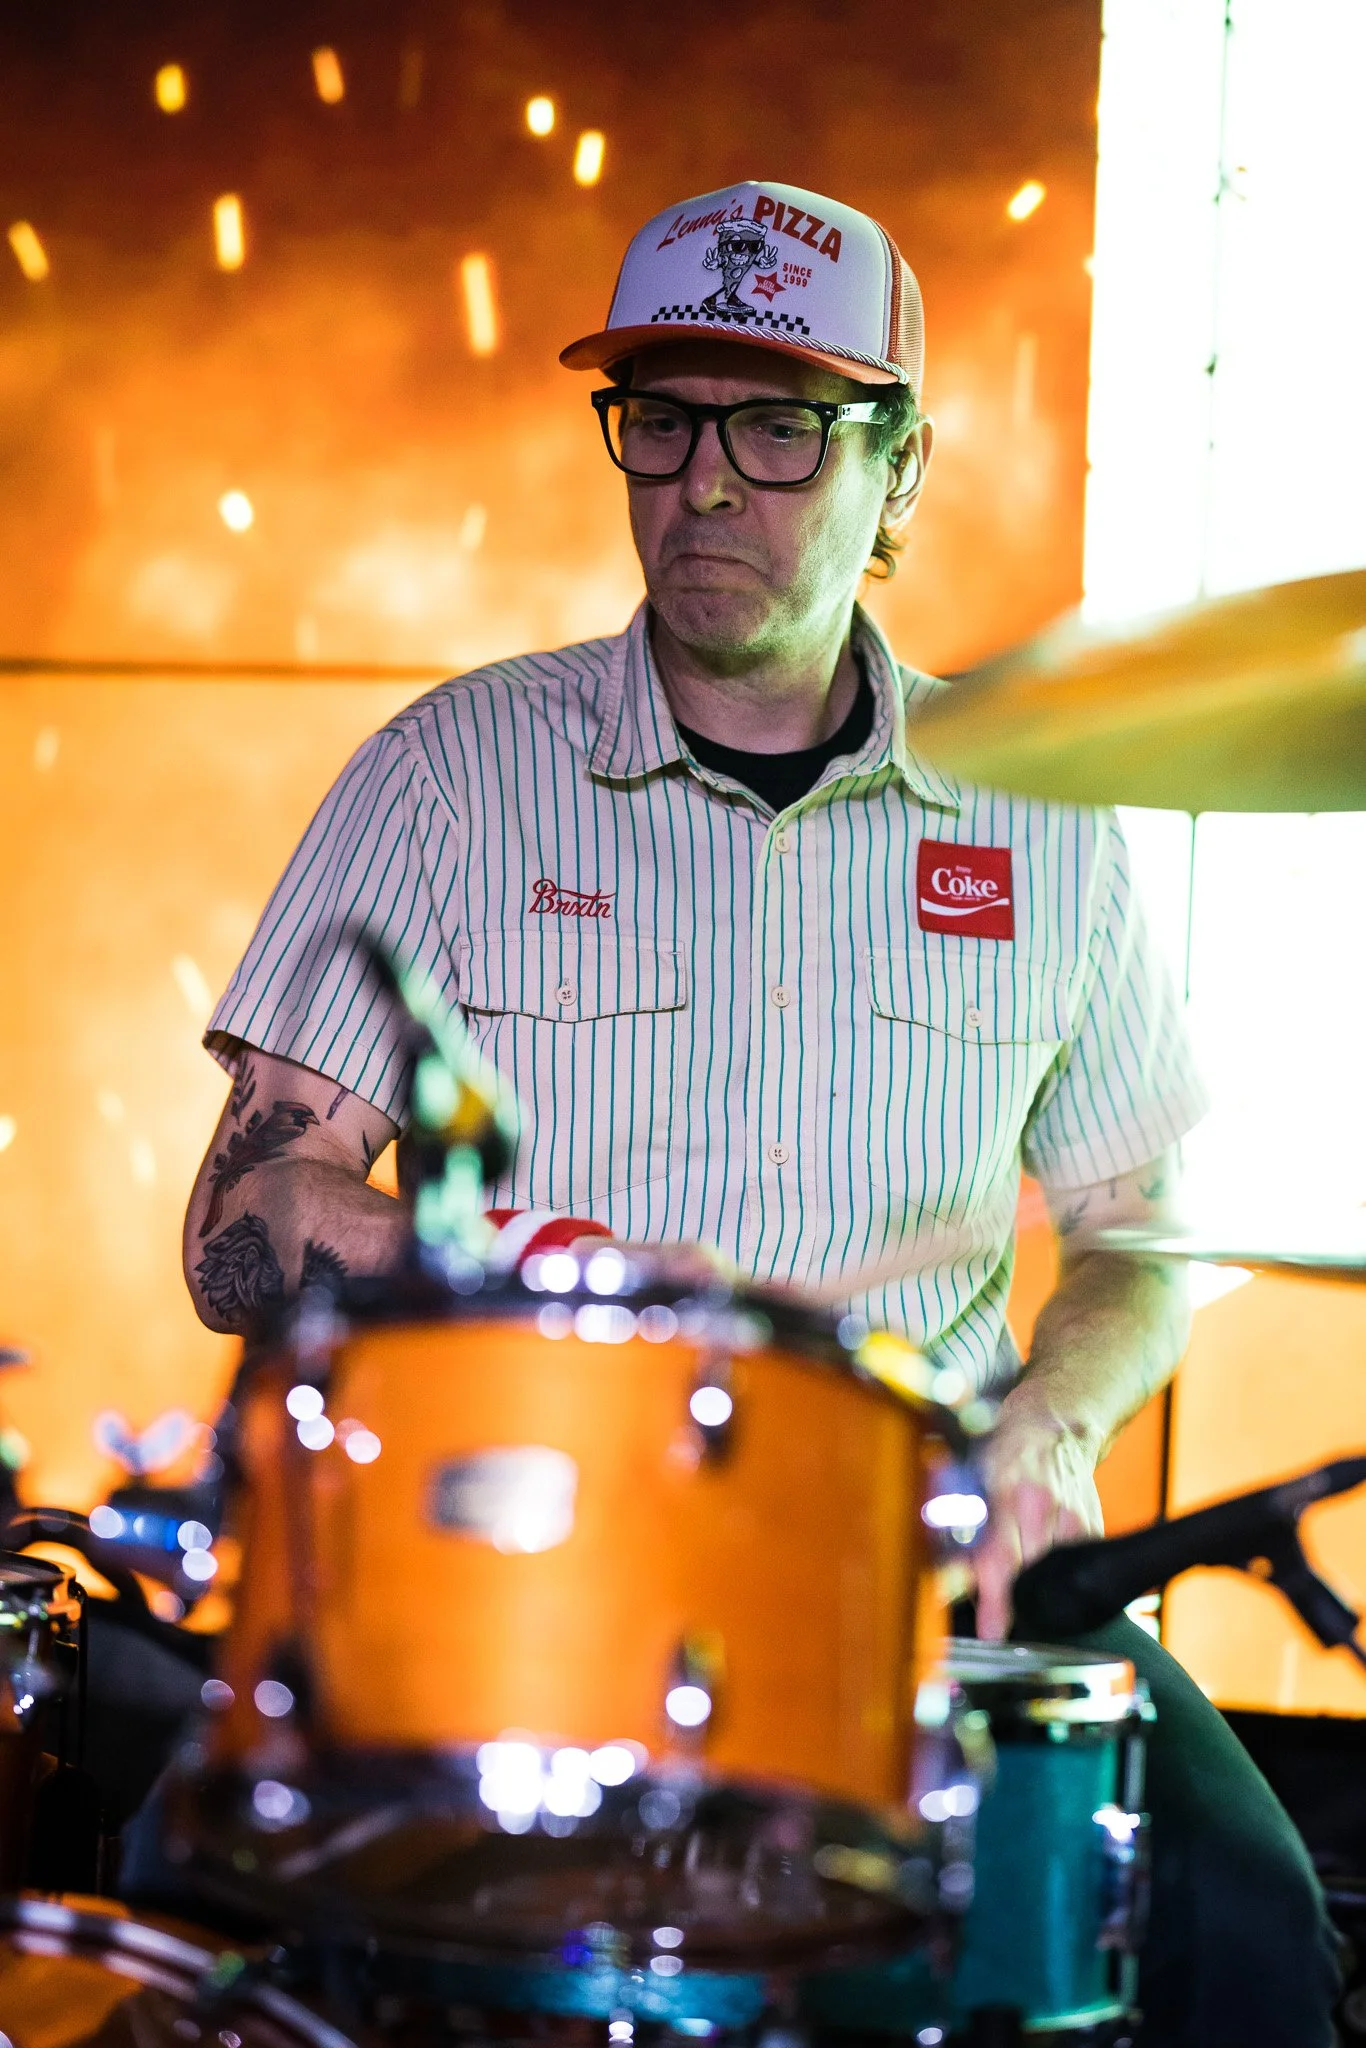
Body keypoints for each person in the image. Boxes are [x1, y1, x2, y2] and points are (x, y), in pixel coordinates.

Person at [183, 180, 1339, 2044]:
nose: (706, 483)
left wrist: (1050, 1426)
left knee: (1243, 1929)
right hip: (538, 1569)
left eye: (782, 426)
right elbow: (242, 1222)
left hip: (929, 1578)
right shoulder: (450, 775)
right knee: (198, 1890)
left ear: (898, 472)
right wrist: (517, 1263)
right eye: (662, 418)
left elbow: (1132, 1243)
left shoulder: (1045, 818)